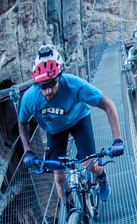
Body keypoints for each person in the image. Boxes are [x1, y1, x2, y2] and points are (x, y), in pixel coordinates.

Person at [18, 44, 125, 203]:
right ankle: (72, 211)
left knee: (91, 165)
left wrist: (118, 140)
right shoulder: (30, 97)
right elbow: (22, 123)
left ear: (60, 76)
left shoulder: (74, 85)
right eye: (43, 87)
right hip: (54, 130)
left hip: (79, 120)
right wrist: (27, 151)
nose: (48, 91)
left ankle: (101, 177)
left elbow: (108, 104)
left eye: (52, 84)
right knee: (59, 178)